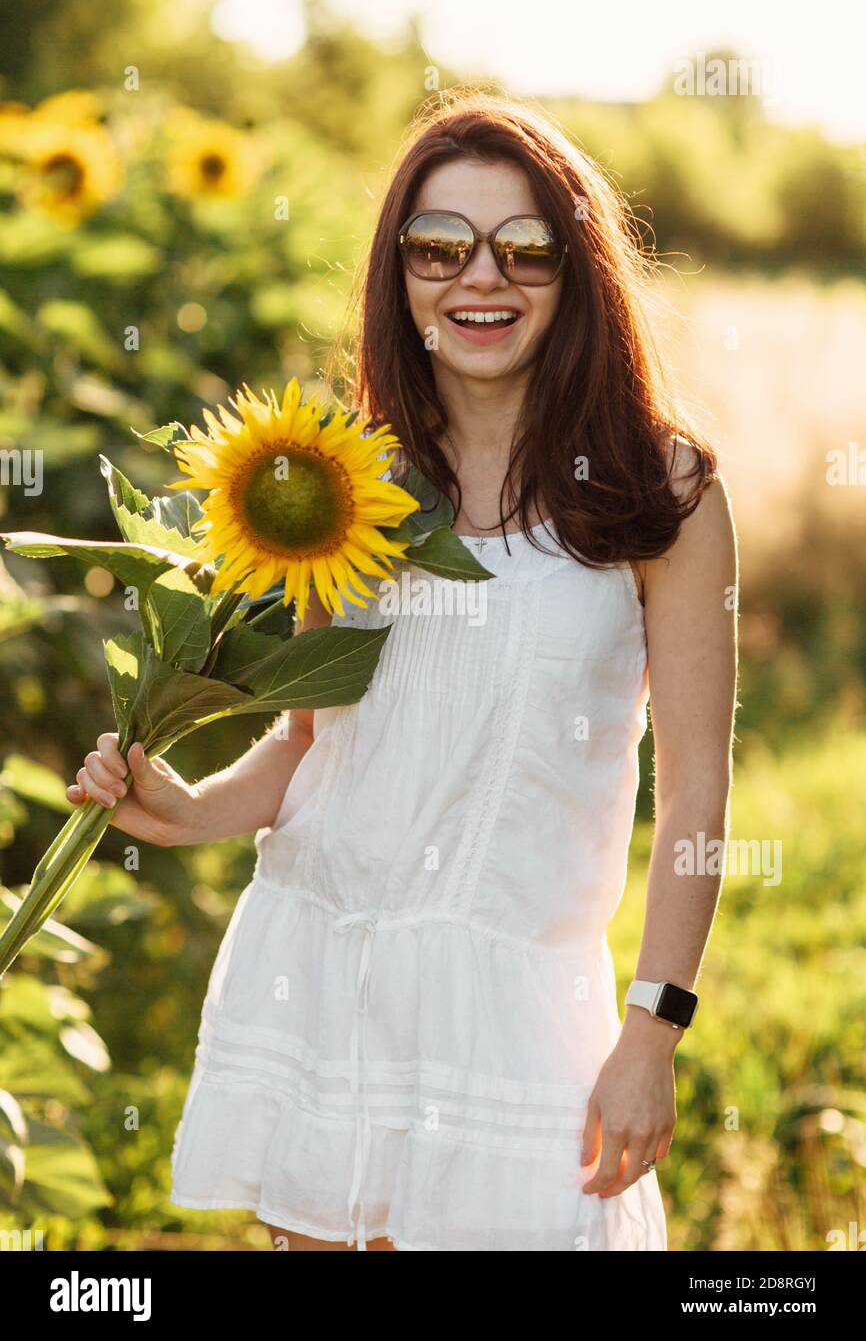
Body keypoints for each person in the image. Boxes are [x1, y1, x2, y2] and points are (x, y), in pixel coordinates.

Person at [69, 92, 737, 1252]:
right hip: (327, 969)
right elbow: (314, 742)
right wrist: (183, 810)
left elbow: (693, 795)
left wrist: (652, 1029)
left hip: (514, 1007)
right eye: (439, 245)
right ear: (399, 272)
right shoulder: (346, 482)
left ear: (574, 270)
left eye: (524, 247)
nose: (481, 278)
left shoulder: (657, 492)